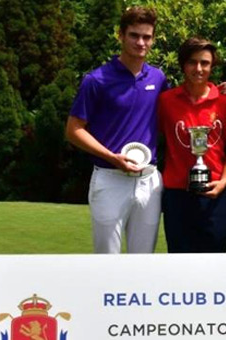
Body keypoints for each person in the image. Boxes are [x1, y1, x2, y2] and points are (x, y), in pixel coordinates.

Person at [65, 7, 166, 254]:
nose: (141, 42)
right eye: (134, 35)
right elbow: (73, 130)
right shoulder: (96, 80)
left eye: (146, 37)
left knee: (142, 263)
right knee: (106, 262)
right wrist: (112, 157)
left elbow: (181, 106)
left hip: (148, 180)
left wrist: (219, 92)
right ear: (120, 35)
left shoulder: (159, 78)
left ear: (152, 40)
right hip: (109, 178)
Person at [157, 37, 226, 253]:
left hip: (214, 194)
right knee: (178, 260)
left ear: (212, 66)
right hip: (177, 194)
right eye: (193, 62)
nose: (199, 68)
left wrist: (223, 182)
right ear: (183, 64)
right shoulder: (166, 101)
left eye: (205, 63)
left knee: (214, 263)